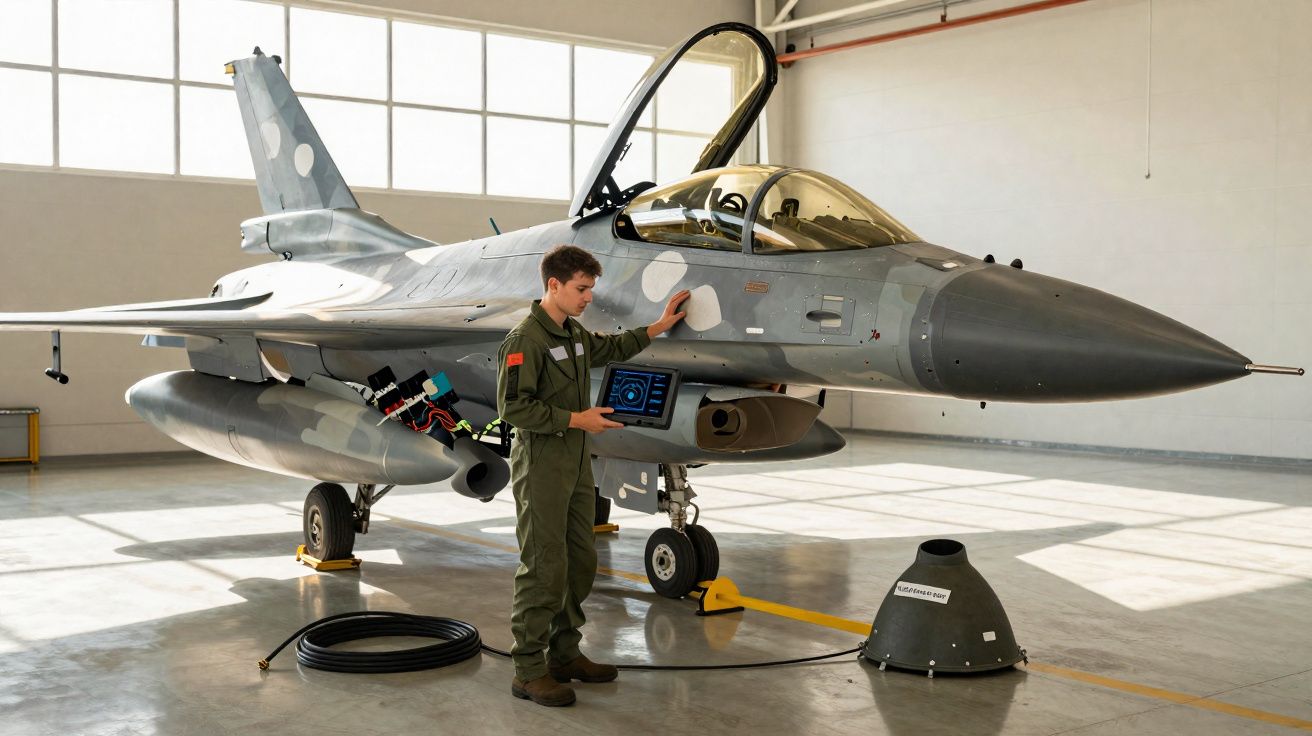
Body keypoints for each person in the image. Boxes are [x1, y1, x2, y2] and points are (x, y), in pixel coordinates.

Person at [497, 244, 689, 707]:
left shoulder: (573, 334)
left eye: (590, 289)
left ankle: (564, 655)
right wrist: (576, 420)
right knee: (544, 567)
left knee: (580, 562)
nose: (587, 297)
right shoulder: (526, 340)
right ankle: (527, 669)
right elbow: (512, 408)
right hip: (542, 462)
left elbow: (611, 346)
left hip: (576, 463)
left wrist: (658, 327)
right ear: (554, 285)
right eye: (581, 289)